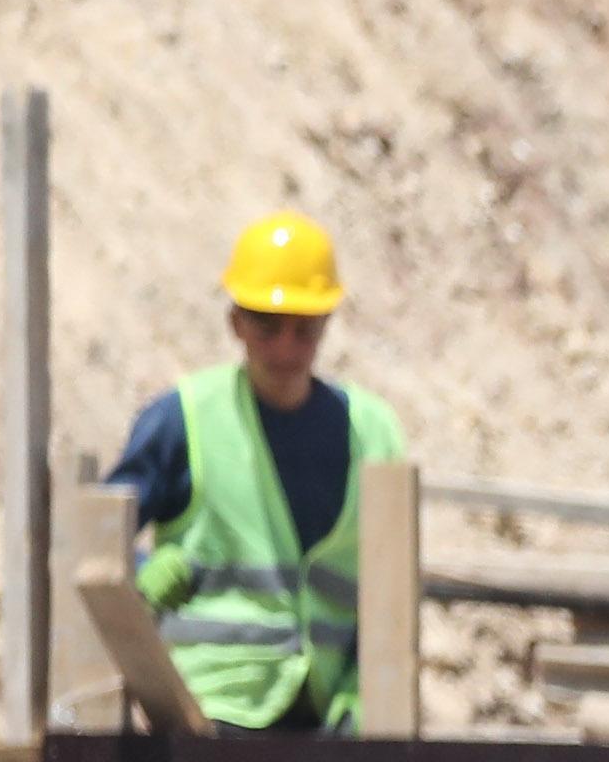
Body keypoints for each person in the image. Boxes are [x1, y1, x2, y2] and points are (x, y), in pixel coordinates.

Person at [107, 212, 411, 733]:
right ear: (236, 323)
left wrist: (367, 691)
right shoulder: (183, 421)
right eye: (268, 327)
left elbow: (391, 584)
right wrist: (137, 570)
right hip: (210, 713)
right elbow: (89, 539)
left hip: (326, 721)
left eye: (304, 328)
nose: (286, 348)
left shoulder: (373, 433)